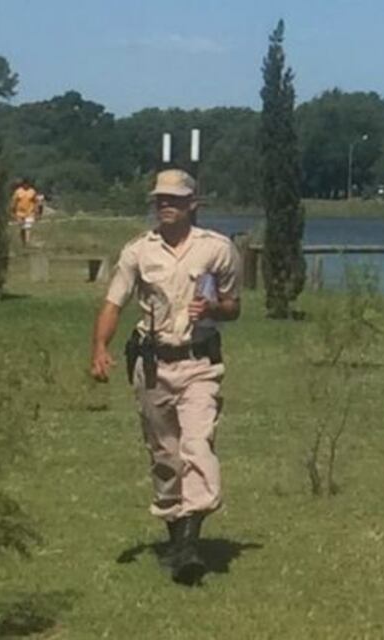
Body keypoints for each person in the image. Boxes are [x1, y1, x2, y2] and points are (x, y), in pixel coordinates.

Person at [90, 169, 242, 585]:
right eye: (160, 199)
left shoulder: (218, 250)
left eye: (174, 199)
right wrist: (100, 348)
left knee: (197, 445)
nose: (165, 205)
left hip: (199, 364)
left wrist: (213, 310)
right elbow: (113, 302)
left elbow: (234, 306)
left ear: (194, 203)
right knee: (165, 455)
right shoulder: (139, 251)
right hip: (153, 366)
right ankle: (177, 542)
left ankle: (190, 545)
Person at [10, 179, 39, 248]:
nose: (26, 185)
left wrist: (36, 210)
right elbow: (14, 201)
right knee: (22, 228)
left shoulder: (32, 191)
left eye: (27, 184)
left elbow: (35, 201)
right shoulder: (18, 191)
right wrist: (12, 210)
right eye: (25, 184)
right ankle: (23, 242)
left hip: (29, 212)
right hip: (19, 213)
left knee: (28, 227)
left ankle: (27, 242)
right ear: (23, 184)